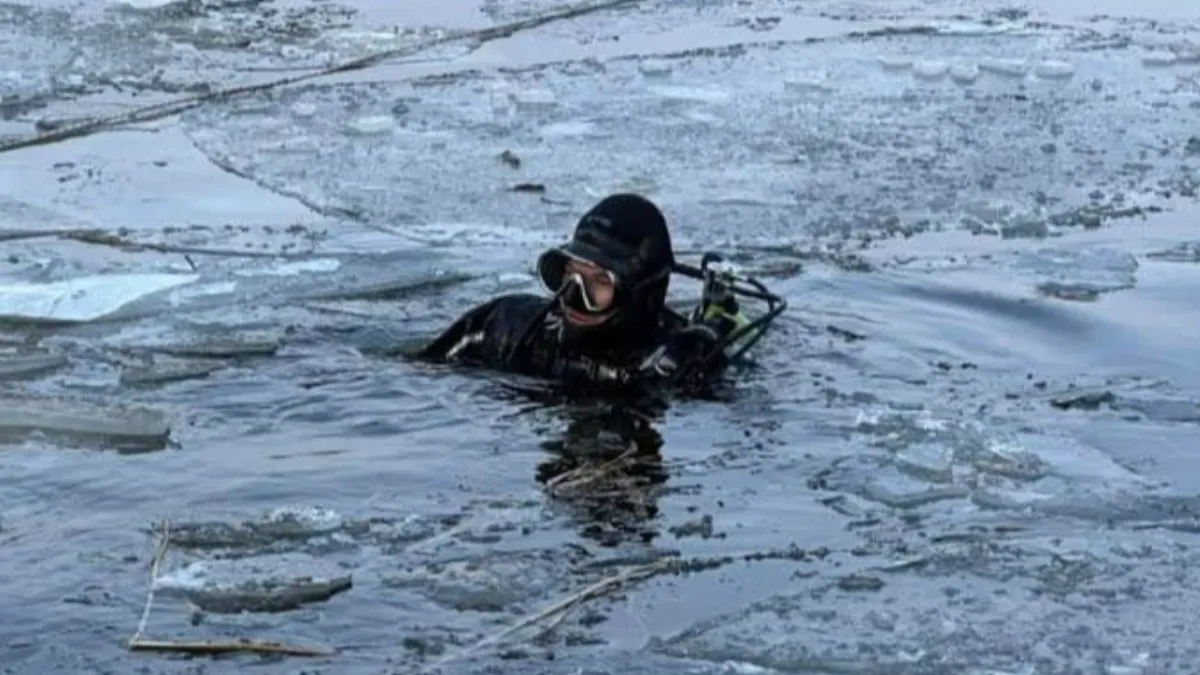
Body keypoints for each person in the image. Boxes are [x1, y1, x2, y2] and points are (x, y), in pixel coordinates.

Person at [415, 193, 775, 395]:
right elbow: (417, 370)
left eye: (598, 283)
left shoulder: (680, 367)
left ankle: (718, 312)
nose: (572, 298)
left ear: (641, 294)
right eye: (569, 275)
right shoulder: (509, 326)